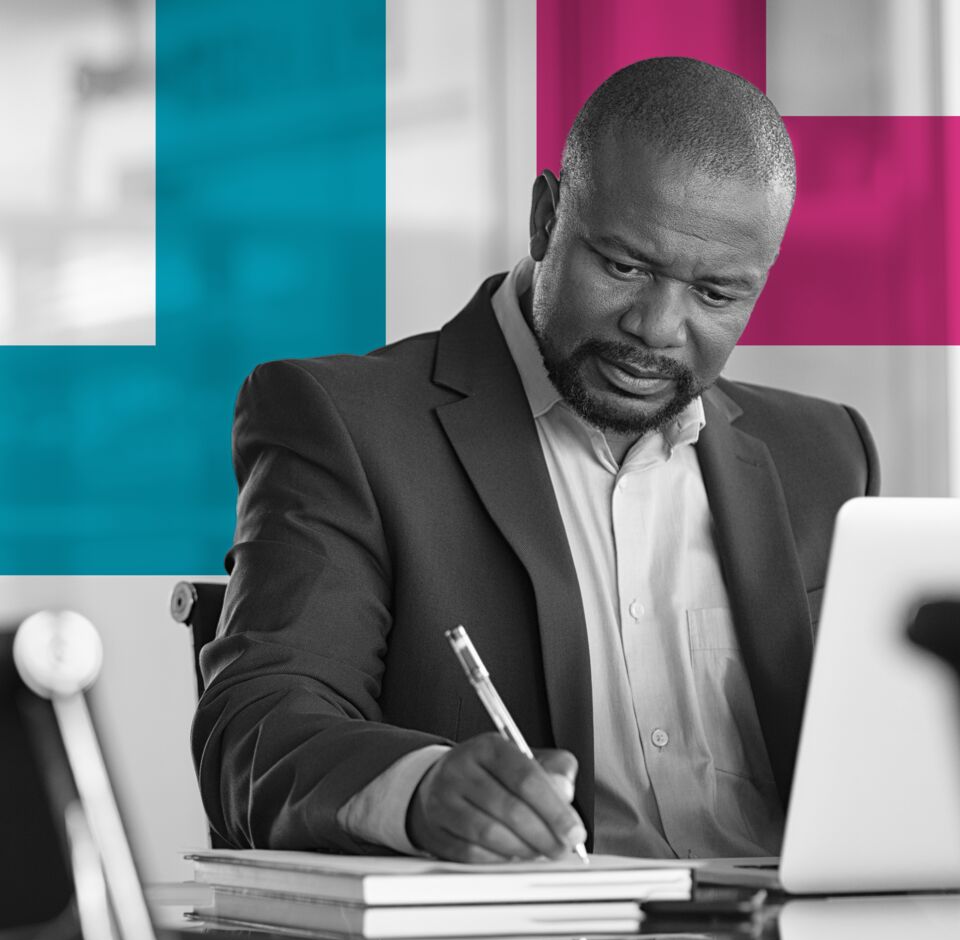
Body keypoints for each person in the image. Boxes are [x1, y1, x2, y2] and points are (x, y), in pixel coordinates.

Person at [192, 57, 879, 863]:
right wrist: (419, 790)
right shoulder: (347, 426)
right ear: (546, 218)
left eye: (717, 295)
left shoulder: (827, 456)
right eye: (625, 266)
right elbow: (259, 723)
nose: (658, 327)